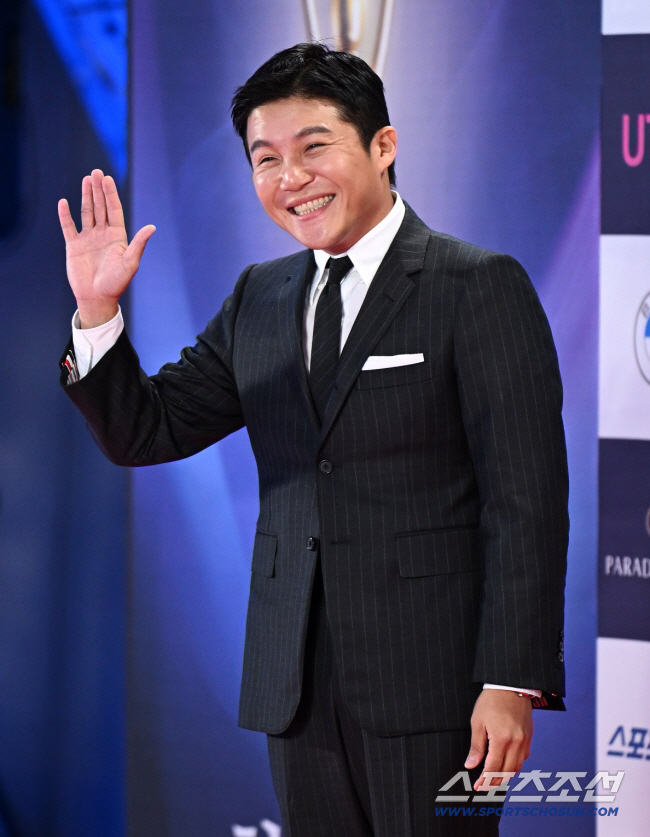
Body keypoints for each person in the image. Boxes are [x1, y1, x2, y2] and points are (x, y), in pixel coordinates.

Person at [58, 43, 568, 837]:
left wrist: (510, 679)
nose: (289, 178)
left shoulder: (475, 284)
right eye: (265, 158)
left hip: (436, 687)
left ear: (383, 146)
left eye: (313, 148)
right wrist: (97, 313)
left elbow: (526, 499)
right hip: (293, 688)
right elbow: (145, 429)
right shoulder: (260, 297)